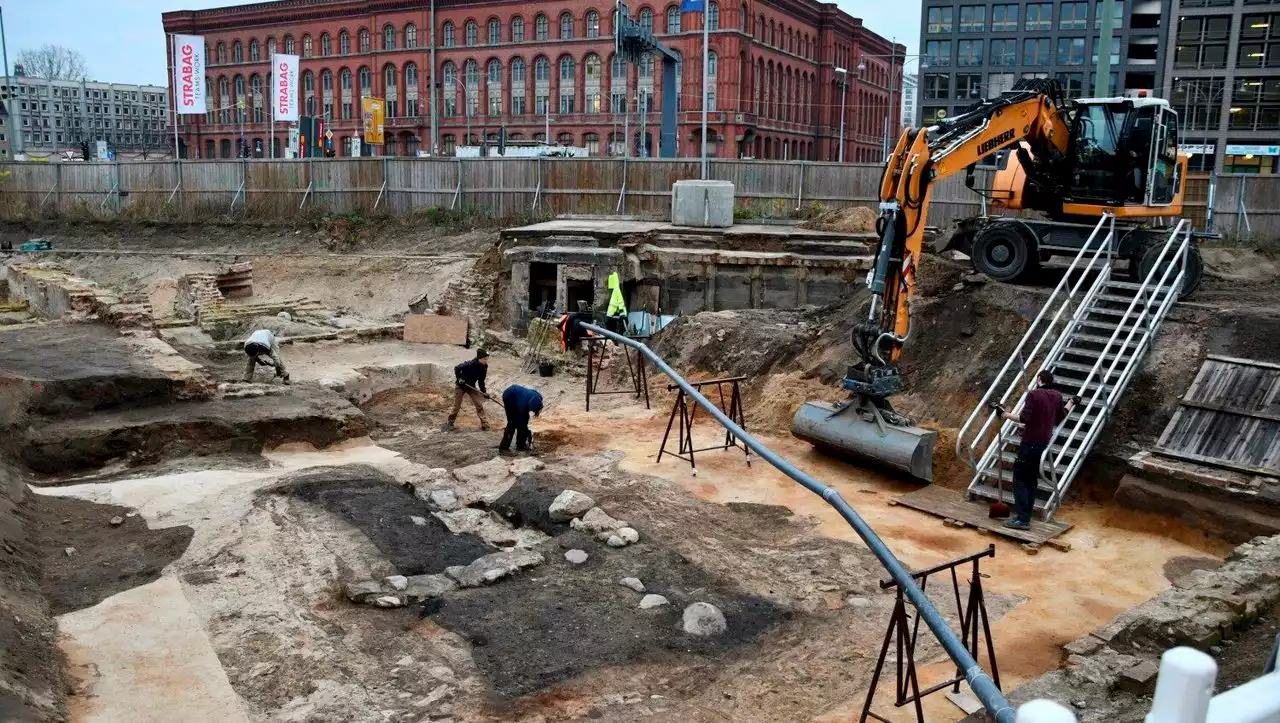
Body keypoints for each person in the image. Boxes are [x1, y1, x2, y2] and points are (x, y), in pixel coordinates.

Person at [992, 369, 1075, 530]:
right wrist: (1071, 403)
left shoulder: (1034, 395)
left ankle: (1022, 519)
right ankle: (1025, 516)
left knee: (1020, 479)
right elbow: (1060, 416)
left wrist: (1006, 415)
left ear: (1039, 380)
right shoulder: (1057, 396)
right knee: (1031, 480)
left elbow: (1024, 418)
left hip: (1029, 442)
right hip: (1043, 443)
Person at [447, 349, 490, 431]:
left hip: (471, 387)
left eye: (487, 358)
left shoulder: (484, 367)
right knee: (457, 406)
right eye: (485, 359)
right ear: (479, 358)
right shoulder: (469, 364)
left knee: (479, 404)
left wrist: (484, 392)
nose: (486, 360)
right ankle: (450, 422)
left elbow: (481, 381)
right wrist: (459, 378)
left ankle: (484, 424)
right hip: (461, 386)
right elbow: (457, 368)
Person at [499, 384, 544, 453]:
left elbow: (524, 419)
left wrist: (526, 431)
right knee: (513, 422)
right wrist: (527, 433)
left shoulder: (539, 397)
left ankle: (521, 445)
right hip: (509, 396)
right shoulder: (522, 405)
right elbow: (521, 422)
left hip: (520, 395)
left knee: (525, 420)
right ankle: (504, 448)